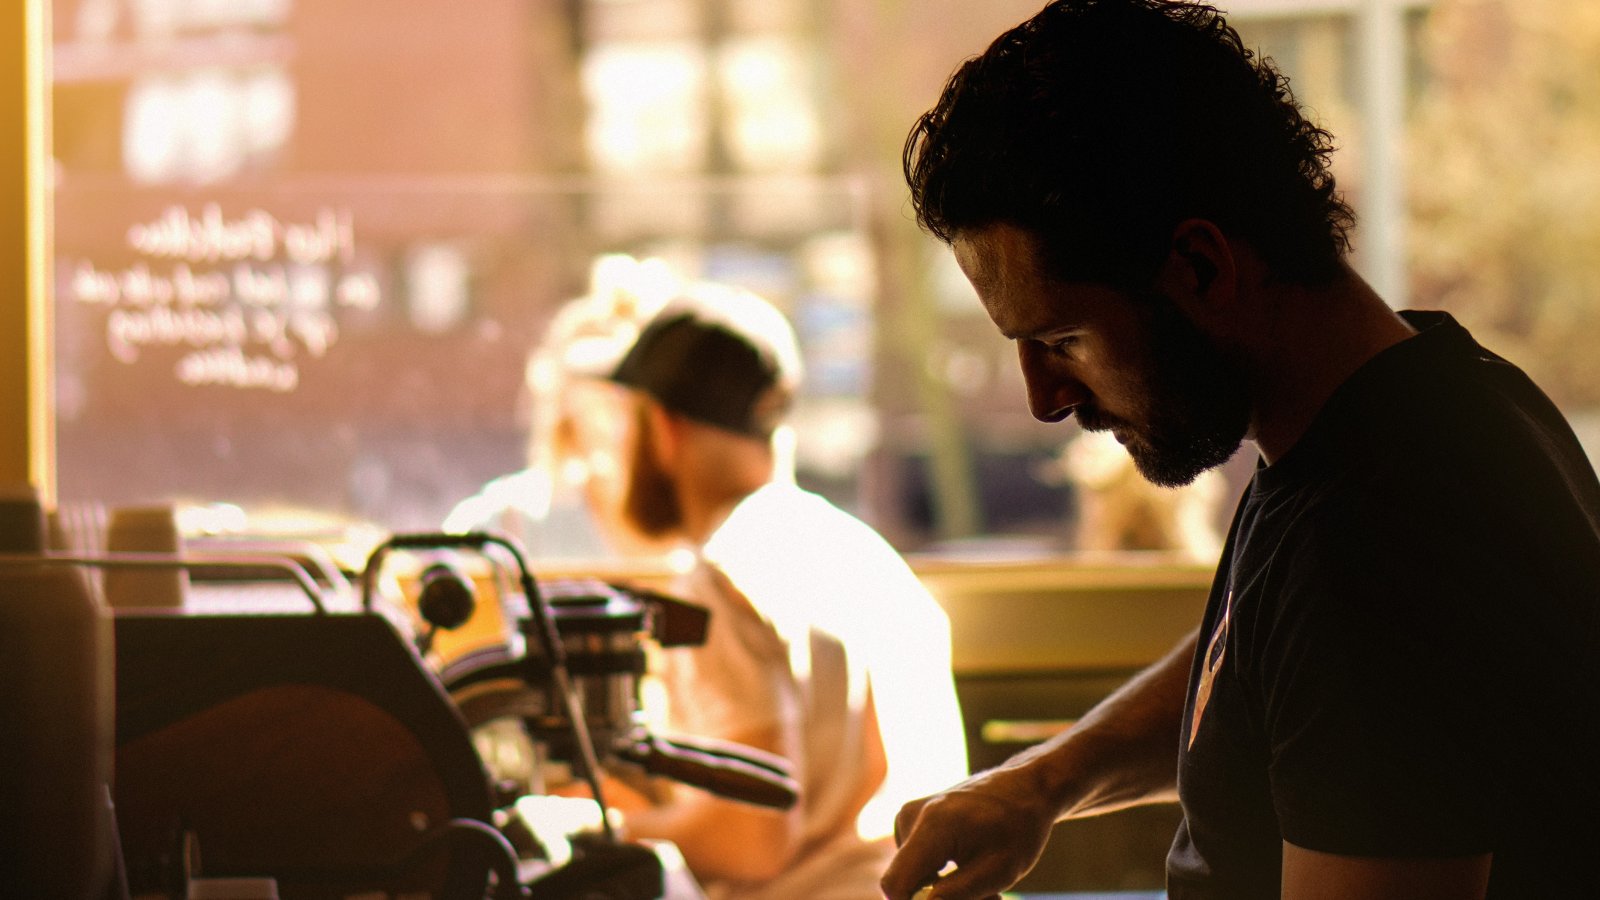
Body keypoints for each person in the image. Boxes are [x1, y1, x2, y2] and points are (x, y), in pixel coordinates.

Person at [880, 2, 1600, 899]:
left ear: (1201, 268)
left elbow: (1343, 640)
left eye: (1063, 339)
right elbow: (1269, 663)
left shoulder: (1385, 538)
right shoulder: (1407, 404)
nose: (1044, 399)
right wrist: (1043, 783)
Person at [591, 283, 969, 900]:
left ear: (663, 428)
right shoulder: (865, 555)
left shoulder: (718, 582)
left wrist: (611, 827)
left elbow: (753, 833)